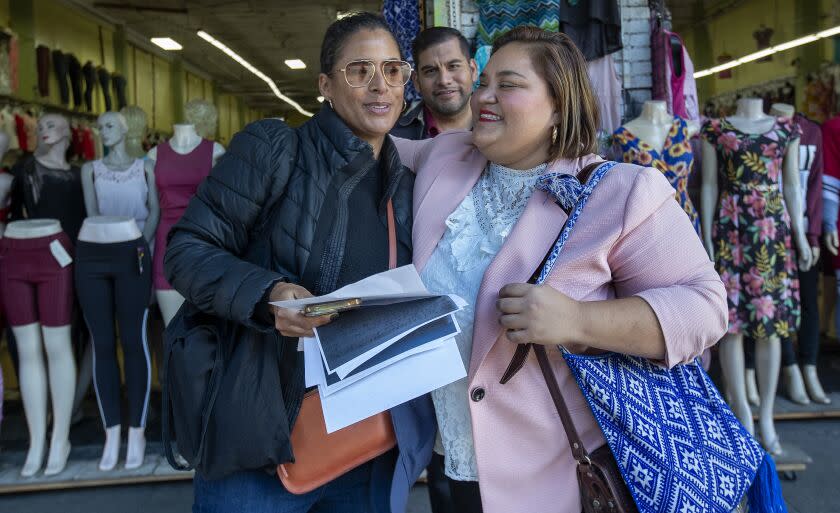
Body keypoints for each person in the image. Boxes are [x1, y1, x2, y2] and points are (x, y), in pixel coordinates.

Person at [392, 27, 728, 513]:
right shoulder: (446, 156)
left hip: (564, 476)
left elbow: (706, 308)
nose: (483, 95)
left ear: (558, 106)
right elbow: (361, 144)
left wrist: (577, 321)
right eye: (483, 81)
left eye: (506, 84)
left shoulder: (622, 192)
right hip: (455, 464)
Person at [164, 12, 434, 513]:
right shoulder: (274, 149)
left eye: (393, 70)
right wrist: (269, 296)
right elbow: (186, 250)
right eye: (360, 70)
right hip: (262, 436)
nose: (381, 86)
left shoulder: (407, 178)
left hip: (365, 437)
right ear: (326, 85)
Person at [391, 27, 477, 139]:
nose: (444, 81)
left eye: (453, 66)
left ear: (473, 70)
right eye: (431, 71)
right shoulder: (395, 140)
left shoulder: (503, 125)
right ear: (416, 81)